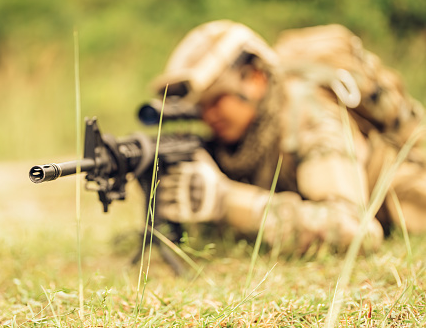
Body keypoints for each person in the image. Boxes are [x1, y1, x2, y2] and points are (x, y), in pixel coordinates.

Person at [152, 20, 426, 254]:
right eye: (199, 107)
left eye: (216, 99)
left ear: (256, 78)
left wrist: (227, 201)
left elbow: (356, 231)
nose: (208, 115)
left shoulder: (308, 115)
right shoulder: (240, 138)